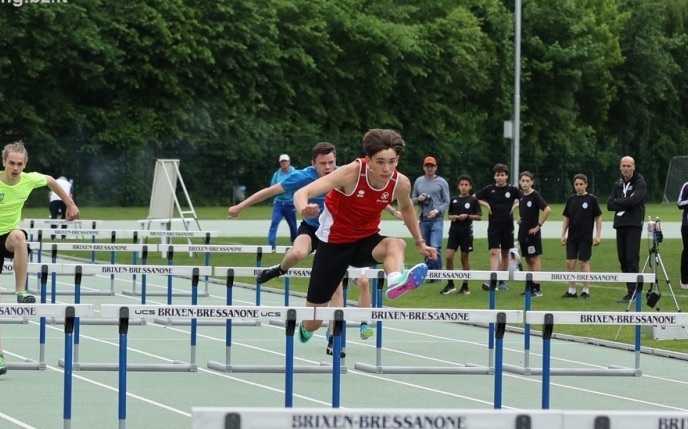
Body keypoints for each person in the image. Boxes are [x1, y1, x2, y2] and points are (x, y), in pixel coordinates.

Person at [227, 143, 382, 350]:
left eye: (331, 162)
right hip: (311, 228)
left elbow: (372, 192)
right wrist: (240, 206)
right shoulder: (302, 177)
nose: (328, 167)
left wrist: (393, 210)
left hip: (335, 236)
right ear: (313, 164)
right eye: (322, 163)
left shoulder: (344, 174)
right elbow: (270, 191)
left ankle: (334, 338)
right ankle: (280, 269)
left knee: (336, 288)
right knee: (298, 252)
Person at [293, 128, 437, 344]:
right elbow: (301, 193)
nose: (386, 169)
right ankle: (306, 327)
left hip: (365, 241)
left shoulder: (400, 183)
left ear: (397, 160)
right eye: (380, 162)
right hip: (333, 245)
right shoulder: (351, 173)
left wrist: (420, 242)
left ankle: (395, 281)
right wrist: (304, 208)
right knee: (313, 321)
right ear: (368, 160)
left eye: (392, 162)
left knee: (396, 244)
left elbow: (407, 208)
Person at [0, 141, 80, 376]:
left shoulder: (29, 179)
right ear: (4, 162)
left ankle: (20, 291)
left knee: (20, 237)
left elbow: (51, 181)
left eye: (19, 164)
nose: (15, 168)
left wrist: (70, 204)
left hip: (7, 237)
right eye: (11, 163)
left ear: (25, 164)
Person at [607, 156, 646, 304]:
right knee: (622, 259)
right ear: (620, 167)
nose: (626, 168)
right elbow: (609, 205)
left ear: (634, 167)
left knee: (632, 258)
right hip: (620, 224)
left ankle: (634, 293)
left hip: (634, 224)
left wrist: (618, 201)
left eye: (629, 166)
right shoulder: (618, 184)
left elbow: (634, 201)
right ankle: (630, 291)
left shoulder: (640, 182)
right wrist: (624, 202)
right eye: (623, 166)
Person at [475, 163, 520, 290]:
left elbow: (525, 198)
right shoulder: (489, 189)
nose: (500, 177)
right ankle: (493, 279)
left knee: (505, 253)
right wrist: (486, 205)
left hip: (508, 226)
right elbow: (474, 197)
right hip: (494, 225)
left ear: (506, 176)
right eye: (498, 175)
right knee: (494, 252)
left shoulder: (512, 190)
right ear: (494, 176)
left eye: (502, 175)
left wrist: (515, 206)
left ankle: (502, 281)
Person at [560, 174, 603, 298]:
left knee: (583, 263)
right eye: (576, 184)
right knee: (570, 263)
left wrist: (598, 235)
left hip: (585, 237)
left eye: (581, 184)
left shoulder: (591, 199)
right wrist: (563, 234)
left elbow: (598, 217)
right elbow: (567, 218)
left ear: (586, 185)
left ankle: (586, 290)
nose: (578, 187)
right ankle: (572, 290)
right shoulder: (571, 200)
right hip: (572, 237)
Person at [441, 174, 482, 295]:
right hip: (454, 233)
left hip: (466, 234)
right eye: (462, 185)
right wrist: (453, 217)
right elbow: (449, 215)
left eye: (466, 185)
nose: (464, 187)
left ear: (470, 187)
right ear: (458, 186)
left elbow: (479, 216)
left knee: (464, 258)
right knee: (448, 257)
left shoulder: (473, 200)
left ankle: (465, 286)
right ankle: (450, 284)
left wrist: (467, 216)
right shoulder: (454, 199)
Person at [412, 156, 450, 281]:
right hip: (423, 219)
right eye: (427, 166)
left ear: (436, 168)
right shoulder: (419, 181)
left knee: (435, 247)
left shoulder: (442, 182)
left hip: (437, 219)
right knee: (426, 248)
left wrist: (437, 210)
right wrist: (419, 199)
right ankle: (429, 275)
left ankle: (437, 276)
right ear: (424, 167)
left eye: (432, 166)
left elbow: (446, 201)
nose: (429, 168)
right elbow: (412, 200)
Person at [516, 171, 551, 297]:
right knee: (528, 259)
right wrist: (519, 219)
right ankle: (529, 286)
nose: (525, 183)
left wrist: (538, 226)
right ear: (520, 182)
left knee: (534, 259)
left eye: (527, 181)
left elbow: (547, 209)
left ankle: (537, 288)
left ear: (532, 182)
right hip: (523, 233)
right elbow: (524, 212)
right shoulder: (521, 196)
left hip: (532, 234)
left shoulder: (535, 195)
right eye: (523, 181)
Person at [267, 154, 298, 248]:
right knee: (274, 223)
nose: (284, 163)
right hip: (279, 203)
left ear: (289, 162)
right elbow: (272, 187)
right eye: (282, 162)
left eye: (285, 161)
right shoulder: (277, 174)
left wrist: (286, 190)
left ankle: (295, 243)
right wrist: (282, 190)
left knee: (293, 225)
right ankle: (271, 245)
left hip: (290, 203)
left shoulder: (294, 173)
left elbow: (297, 186)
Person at [48, 175, 72, 239]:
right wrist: (71, 205)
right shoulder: (69, 184)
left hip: (54, 200)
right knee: (65, 217)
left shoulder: (54, 181)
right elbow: (70, 195)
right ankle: (63, 236)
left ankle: (53, 236)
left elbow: (50, 193)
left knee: (53, 217)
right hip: (64, 199)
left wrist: (51, 203)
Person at [677, 179, 688, 289]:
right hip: (687, 225)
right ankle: (685, 280)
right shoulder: (686, 186)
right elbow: (680, 203)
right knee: (687, 251)